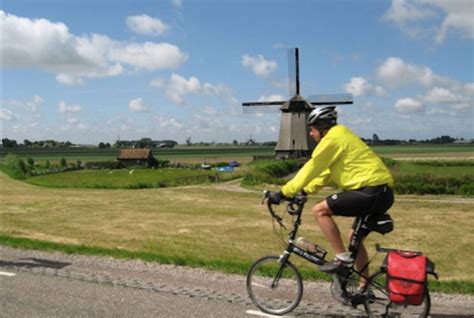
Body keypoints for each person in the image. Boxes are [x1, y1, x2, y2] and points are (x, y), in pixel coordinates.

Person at [268, 106, 394, 288]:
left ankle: (342, 259)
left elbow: (312, 168)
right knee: (354, 239)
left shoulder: (331, 140)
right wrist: (304, 191)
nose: (311, 134)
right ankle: (363, 288)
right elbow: (325, 174)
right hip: (383, 193)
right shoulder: (342, 135)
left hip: (368, 190)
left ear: (321, 127)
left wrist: (283, 193)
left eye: (312, 129)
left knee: (320, 210)